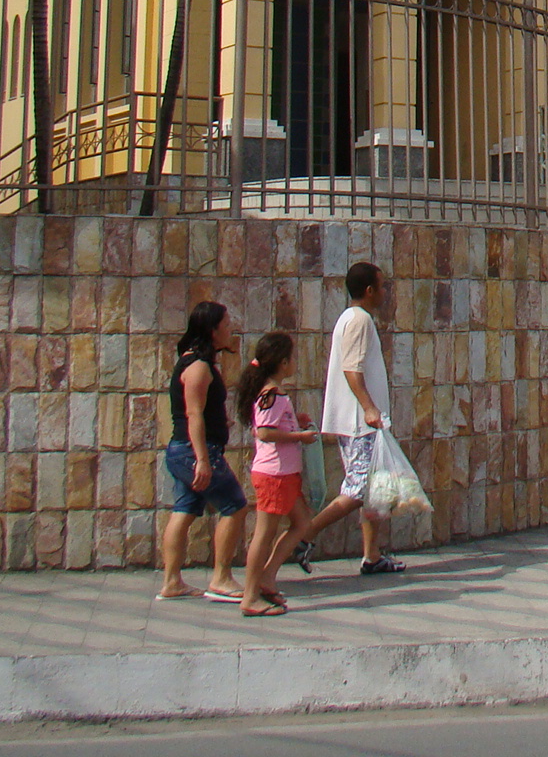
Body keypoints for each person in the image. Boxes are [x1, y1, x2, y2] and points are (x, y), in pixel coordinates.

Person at [304, 261, 406, 575]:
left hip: (362, 422)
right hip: (360, 424)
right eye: (383, 286)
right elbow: (352, 368)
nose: (386, 292)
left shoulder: (354, 319)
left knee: (374, 488)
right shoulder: (359, 320)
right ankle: (305, 534)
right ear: (370, 290)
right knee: (358, 489)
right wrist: (369, 408)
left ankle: (371, 555)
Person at [158, 301, 247, 602]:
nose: (230, 328)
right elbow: (193, 415)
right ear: (212, 330)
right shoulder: (197, 366)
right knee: (235, 505)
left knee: (184, 510)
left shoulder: (194, 361)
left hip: (186, 450)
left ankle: (172, 582)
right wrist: (203, 461)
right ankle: (221, 578)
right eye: (226, 323)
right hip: (193, 451)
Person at [235, 331, 320, 616]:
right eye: (292, 358)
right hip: (274, 474)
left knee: (302, 522)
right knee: (264, 533)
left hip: (285, 474)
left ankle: (268, 577)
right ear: (283, 363)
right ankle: (250, 596)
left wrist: (298, 424)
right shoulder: (271, 394)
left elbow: (275, 425)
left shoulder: (275, 394)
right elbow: (265, 431)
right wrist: (299, 438)